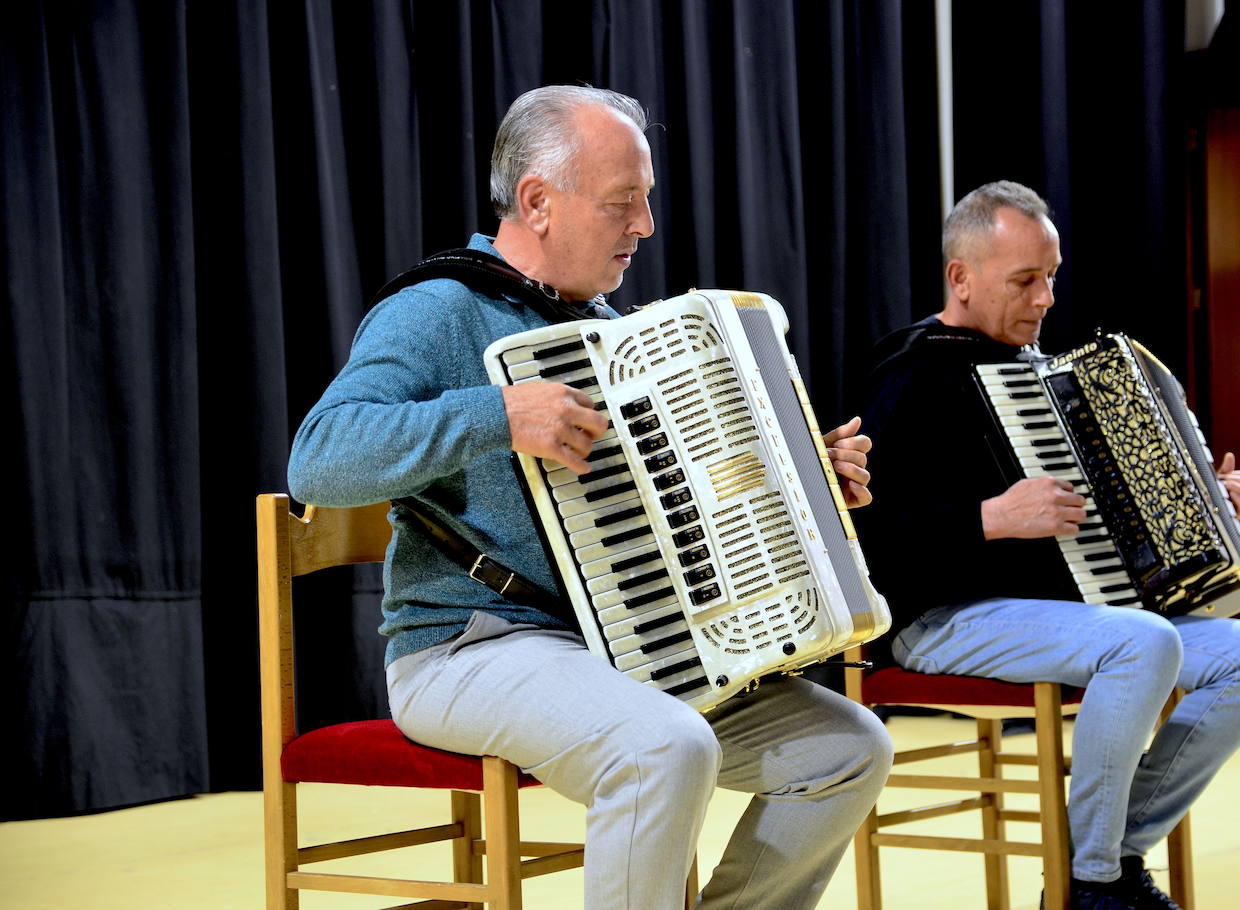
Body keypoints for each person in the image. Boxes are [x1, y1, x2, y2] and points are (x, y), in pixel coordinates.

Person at [287, 85, 891, 910]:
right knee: (663, 748)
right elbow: (318, 461)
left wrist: (800, 481)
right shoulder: (437, 309)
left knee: (846, 747)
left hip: (630, 648)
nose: (644, 225)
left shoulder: (612, 333)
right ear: (537, 201)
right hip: (468, 647)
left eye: (645, 201)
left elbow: (680, 503)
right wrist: (495, 414)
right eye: (622, 203)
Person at [858, 180, 1240, 910]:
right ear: (960, 277)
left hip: (1077, 614)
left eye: (1051, 277)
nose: (1045, 298)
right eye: (1024, 280)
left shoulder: (1053, 377)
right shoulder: (911, 373)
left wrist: (1206, 510)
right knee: (1141, 644)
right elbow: (866, 542)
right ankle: (1094, 886)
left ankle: (1107, 853)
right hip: (945, 617)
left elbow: (1122, 528)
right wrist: (990, 518)